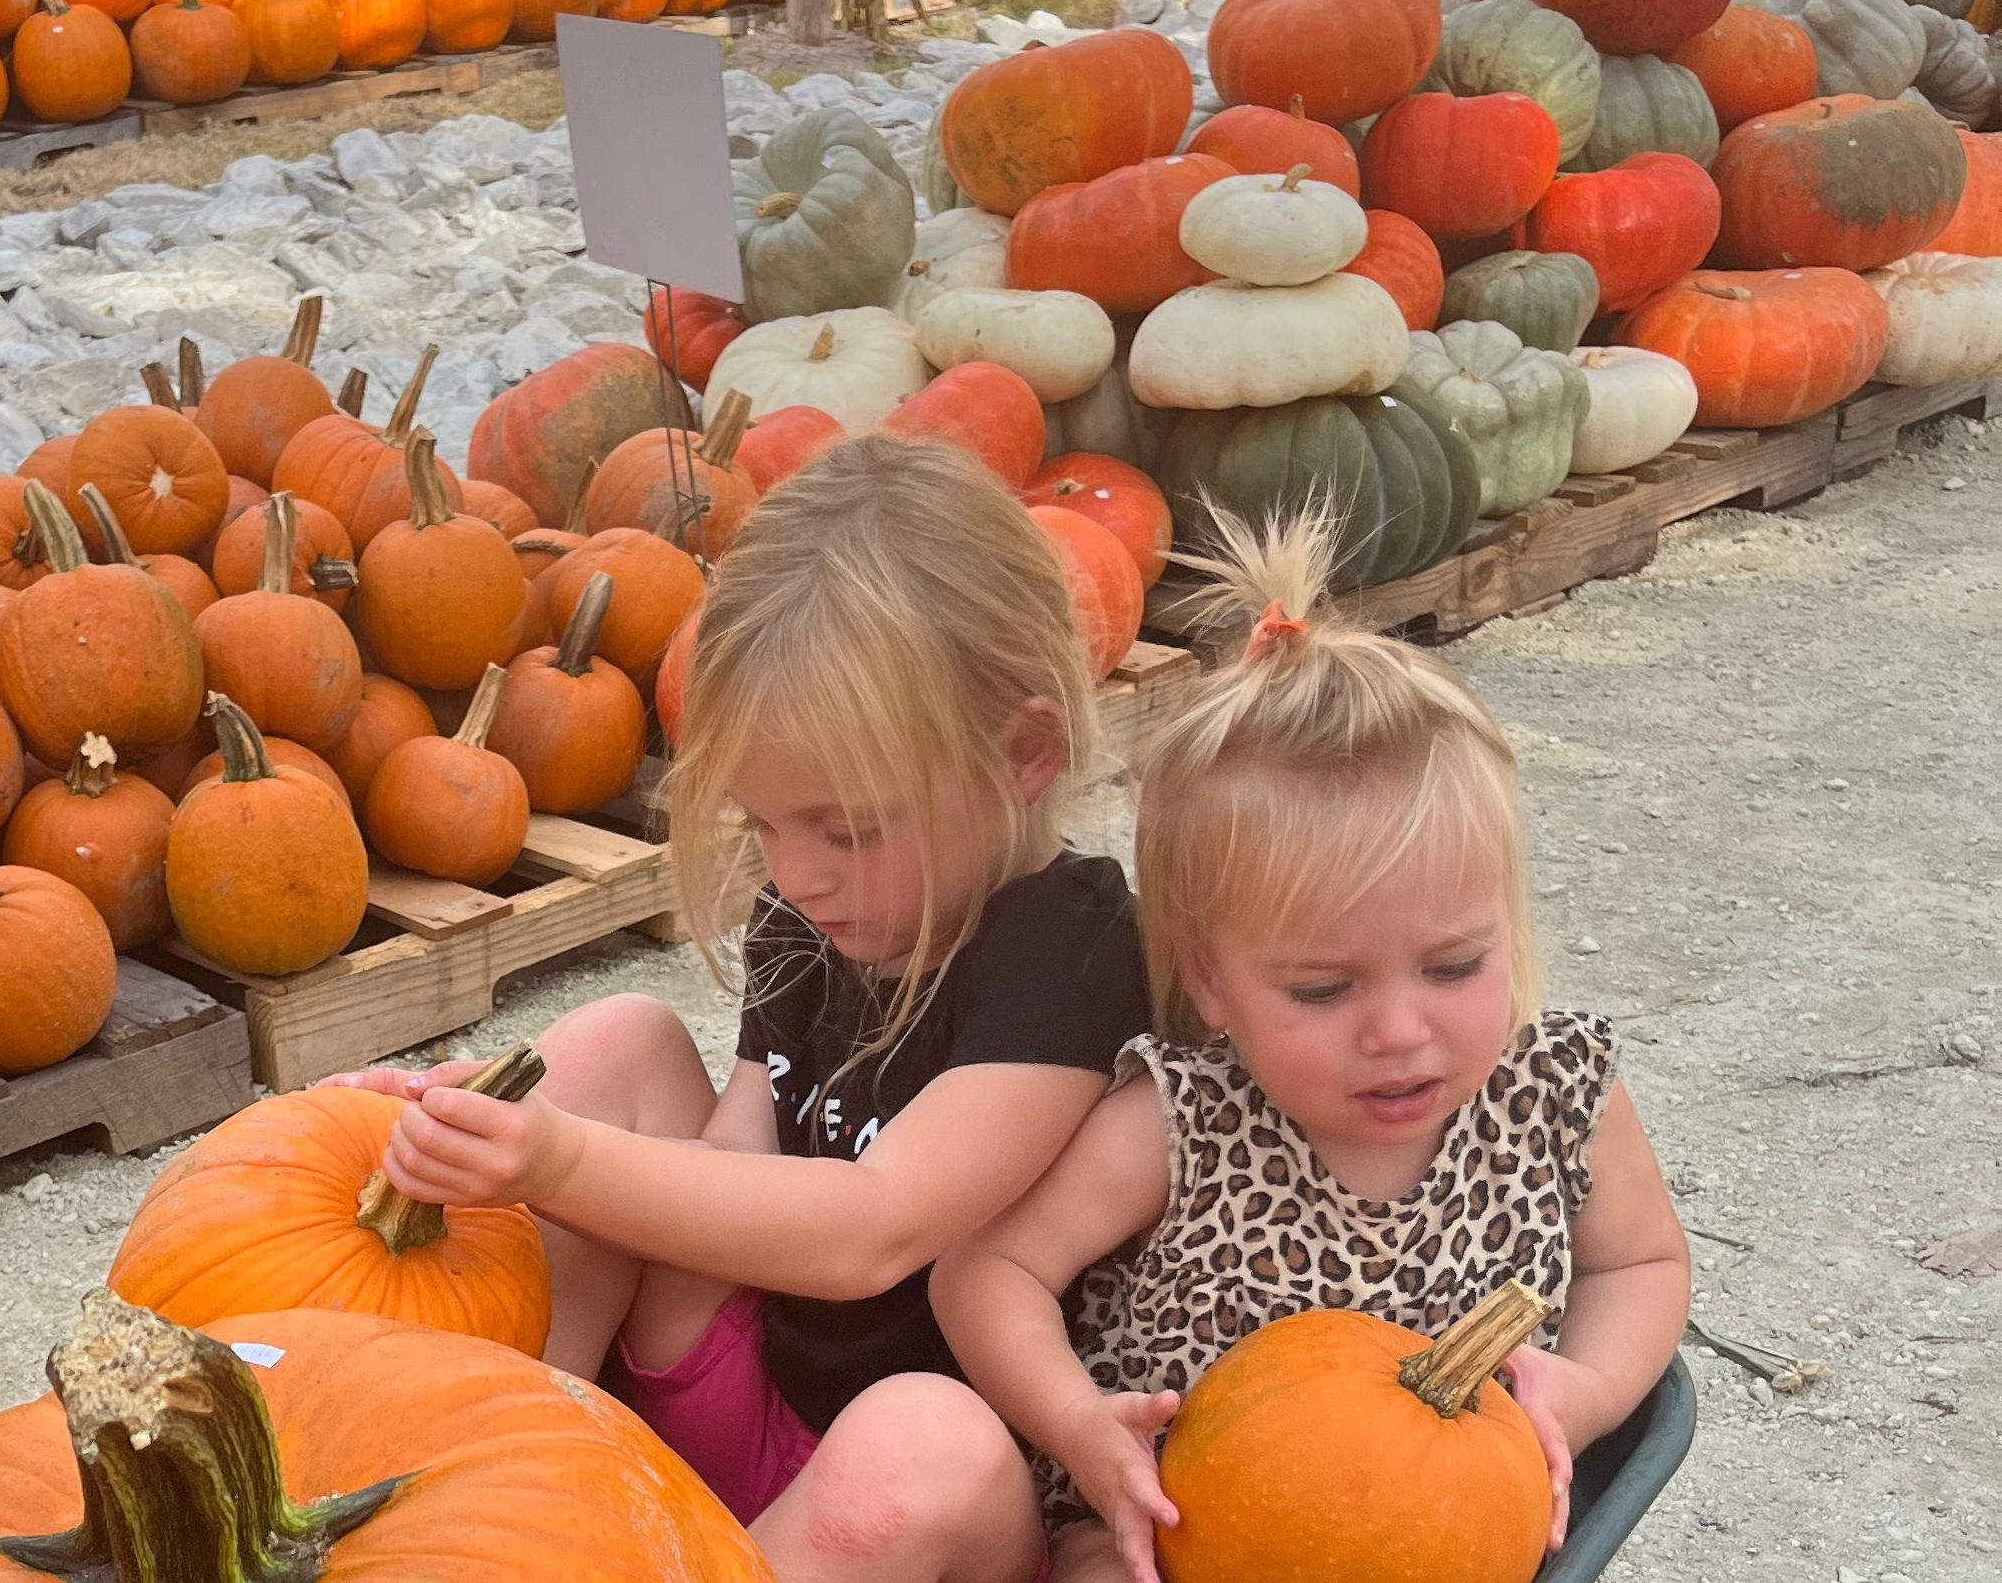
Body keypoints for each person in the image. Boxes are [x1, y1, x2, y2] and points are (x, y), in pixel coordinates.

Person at [335, 431, 1150, 1583]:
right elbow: (740, 1146)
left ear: (1023, 752)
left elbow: (878, 1225)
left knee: (927, 1434)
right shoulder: (819, 906)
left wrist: (559, 1164)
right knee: (624, 1041)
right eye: (764, 827)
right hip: (738, 1400)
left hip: (915, 1510)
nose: (797, 872)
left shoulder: (1073, 949)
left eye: (844, 828)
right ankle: (491, 1479)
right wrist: (461, 1121)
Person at [929, 510, 1693, 1583]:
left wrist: (1592, 1387)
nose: (1396, 1029)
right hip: (1182, 1539)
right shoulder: (1181, 1122)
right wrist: (1077, 1423)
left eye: (1455, 967)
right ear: (1211, 981)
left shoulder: (1556, 1091)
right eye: (1325, 988)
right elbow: (986, 1270)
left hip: (1447, 1539)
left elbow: (1644, 1261)